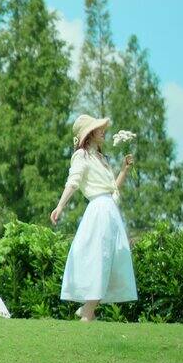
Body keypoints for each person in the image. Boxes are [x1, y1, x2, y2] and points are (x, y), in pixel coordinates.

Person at [50, 114, 138, 322]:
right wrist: (60, 206)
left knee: (111, 260)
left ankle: (87, 309)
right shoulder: (82, 156)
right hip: (99, 211)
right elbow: (74, 181)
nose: (103, 131)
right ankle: (87, 314)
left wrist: (124, 170)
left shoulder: (101, 158)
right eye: (99, 129)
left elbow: (112, 189)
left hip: (110, 211)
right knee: (100, 259)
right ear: (89, 134)